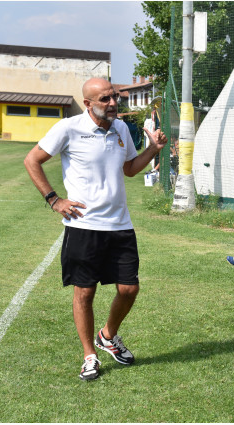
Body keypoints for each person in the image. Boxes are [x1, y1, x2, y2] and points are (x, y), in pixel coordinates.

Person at [23, 78, 168, 381]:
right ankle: (90, 355)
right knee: (84, 293)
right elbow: (32, 160)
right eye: (105, 99)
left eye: (114, 97)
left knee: (129, 289)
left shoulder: (121, 129)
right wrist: (54, 199)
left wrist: (153, 149)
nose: (113, 103)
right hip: (84, 227)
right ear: (88, 103)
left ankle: (108, 335)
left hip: (120, 225)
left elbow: (128, 168)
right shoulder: (68, 128)